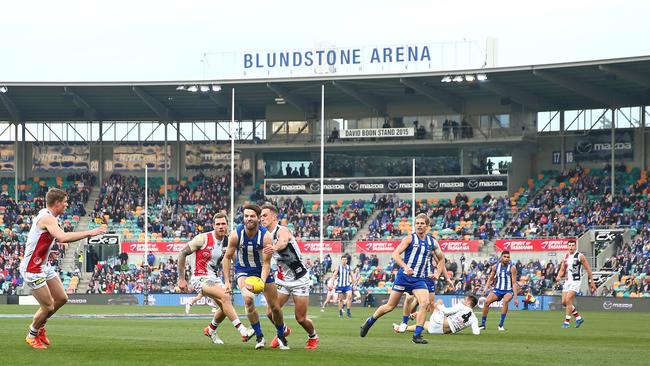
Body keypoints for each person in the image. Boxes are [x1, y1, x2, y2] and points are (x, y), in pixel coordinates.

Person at [21, 188, 107, 349]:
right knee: (48, 306)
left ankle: (39, 327)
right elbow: (62, 237)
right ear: (57, 203)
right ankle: (32, 334)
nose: (67, 205)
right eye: (65, 202)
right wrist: (90, 232)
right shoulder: (47, 218)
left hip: (43, 266)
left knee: (62, 298)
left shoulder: (49, 215)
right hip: (32, 268)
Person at [360, 214, 442, 344]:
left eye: (422, 223)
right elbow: (395, 254)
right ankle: (369, 321)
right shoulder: (410, 238)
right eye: (417, 223)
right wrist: (405, 267)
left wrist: (437, 273)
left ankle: (417, 336)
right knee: (390, 306)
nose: (419, 225)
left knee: (425, 303)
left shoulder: (433, 242)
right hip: (404, 277)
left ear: (427, 226)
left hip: (419, 280)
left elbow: (441, 259)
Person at [177, 212, 254, 345]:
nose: (221, 226)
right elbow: (182, 253)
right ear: (213, 225)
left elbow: (236, 261)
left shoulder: (229, 241)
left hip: (214, 278)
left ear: (227, 225)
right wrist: (181, 279)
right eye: (218, 224)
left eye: (223, 223)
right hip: (199, 277)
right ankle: (243, 331)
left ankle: (211, 329)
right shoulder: (203, 238)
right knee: (226, 297)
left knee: (225, 308)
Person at [222, 204, 289, 350]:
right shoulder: (235, 234)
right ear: (243, 217)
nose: (249, 219)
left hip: (262, 271)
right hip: (243, 271)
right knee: (248, 299)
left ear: (258, 218)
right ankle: (259, 337)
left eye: (252, 216)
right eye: (246, 216)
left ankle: (281, 336)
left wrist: (261, 282)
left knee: (275, 308)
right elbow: (226, 258)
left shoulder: (265, 236)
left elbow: (266, 263)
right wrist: (227, 282)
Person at [260, 203, 319, 349]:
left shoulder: (283, 230)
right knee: (269, 312)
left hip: (299, 279)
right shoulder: (265, 236)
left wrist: (273, 248)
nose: (262, 218)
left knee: (300, 318)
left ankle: (313, 336)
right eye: (261, 216)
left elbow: (283, 242)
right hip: (282, 279)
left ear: (274, 217)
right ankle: (284, 330)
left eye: (265, 215)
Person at [555, 239, 596, 328]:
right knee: (564, 302)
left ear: (575, 246)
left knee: (569, 299)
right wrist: (558, 276)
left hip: (576, 281)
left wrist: (591, 281)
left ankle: (566, 322)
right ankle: (578, 317)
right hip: (567, 281)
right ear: (567, 246)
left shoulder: (580, 256)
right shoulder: (565, 257)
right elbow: (562, 270)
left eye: (573, 245)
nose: (571, 247)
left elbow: (588, 269)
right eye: (569, 245)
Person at [394, 296, 480, 335]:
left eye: (465, 299)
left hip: (438, 323)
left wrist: (436, 305)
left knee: (439, 301)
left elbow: (446, 311)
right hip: (443, 332)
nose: (463, 300)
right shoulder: (474, 318)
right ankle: (402, 329)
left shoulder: (462, 306)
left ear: (468, 302)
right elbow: (476, 332)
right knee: (423, 324)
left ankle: (416, 313)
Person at [480, 251, 519, 331]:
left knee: (505, 301)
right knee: (487, 302)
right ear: (501, 257)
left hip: (508, 290)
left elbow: (514, 283)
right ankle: (483, 325)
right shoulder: (495, 267)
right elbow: (490, 279)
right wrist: (485, 289)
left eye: (508, 257)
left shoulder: (512, 268)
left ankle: (501, 325)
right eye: (505, 257)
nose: (506, 258)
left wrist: (515, 297)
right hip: (497, 290)